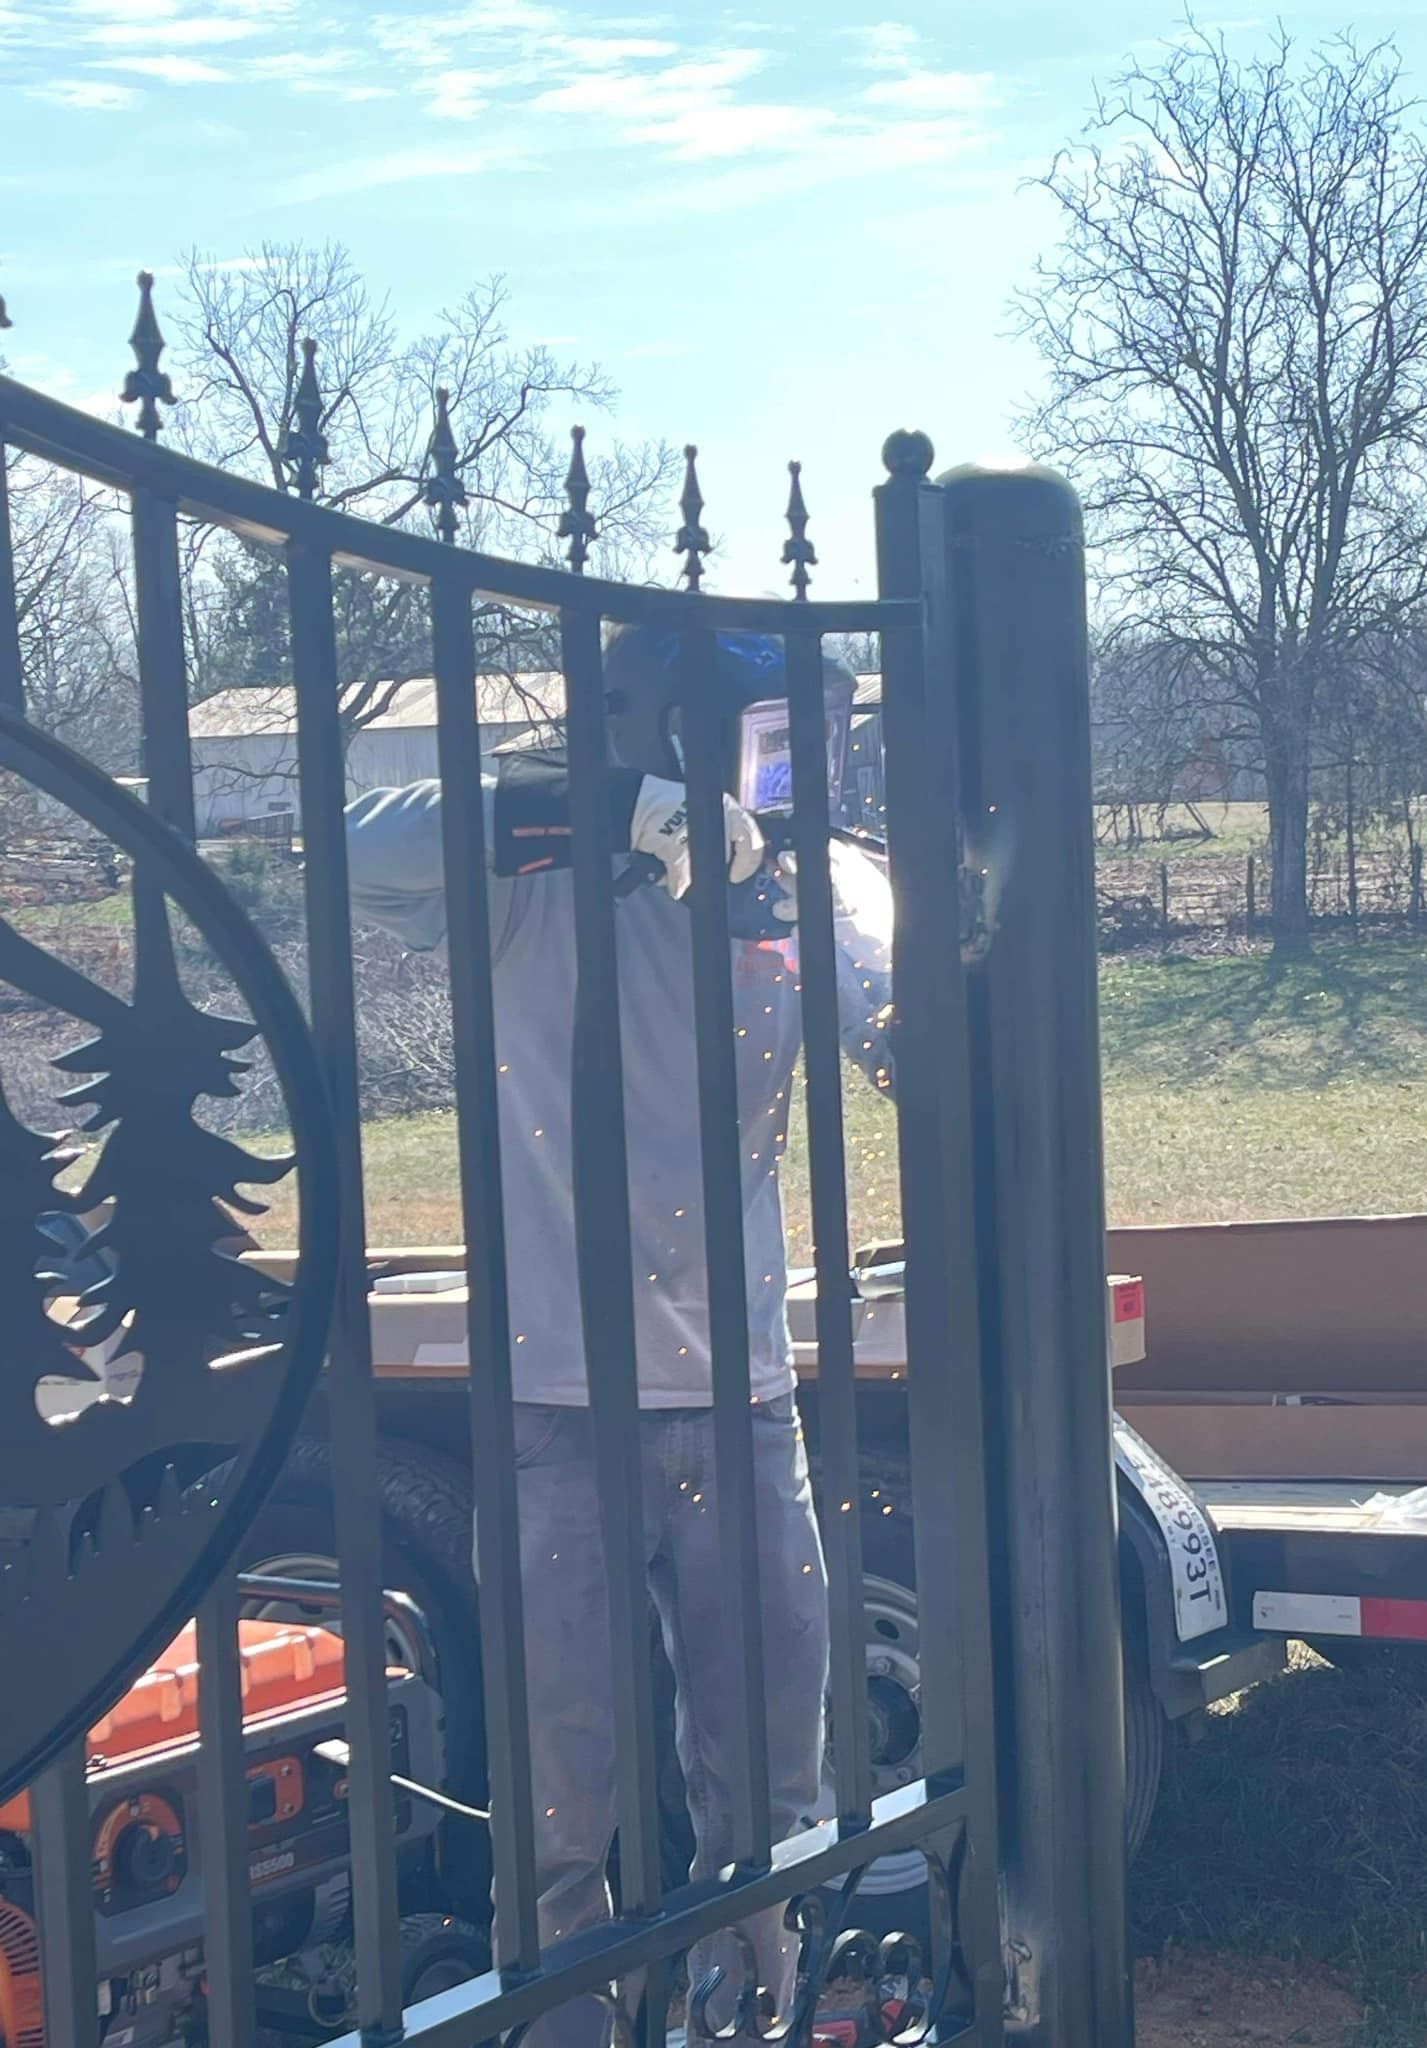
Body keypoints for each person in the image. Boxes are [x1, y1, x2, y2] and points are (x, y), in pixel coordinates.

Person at [345, 626, 895, 2044]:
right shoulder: (536, 877)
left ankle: (743, 2022)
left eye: (825, 738)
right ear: (661, 723)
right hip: (553, 1405)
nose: (804, 770)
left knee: (772, 1793)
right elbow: (351, 842)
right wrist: (612, 818)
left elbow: (910, 1017)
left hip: (743, 1402)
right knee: (556, 1802)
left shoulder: (816, 882)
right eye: (781, 735)